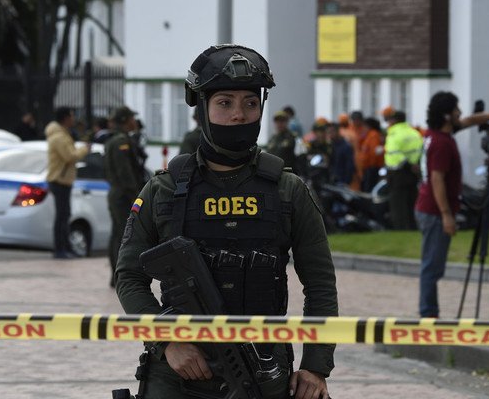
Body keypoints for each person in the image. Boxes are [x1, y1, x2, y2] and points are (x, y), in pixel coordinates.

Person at [116, 44, 337, 399]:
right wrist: (166, 341)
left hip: (263, 369)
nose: (239, 115)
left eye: (250, 103)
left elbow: (321, 284)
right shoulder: (164, 190)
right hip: (178, 375)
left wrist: (315, 366)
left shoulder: (287, 189)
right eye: (225, 103)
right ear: (202, 107)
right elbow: (129, 277)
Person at [414, 91, 489, 318]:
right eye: (456, 109)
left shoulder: (437, 133)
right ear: (446, 116)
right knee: (432, 267)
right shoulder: (441, 143)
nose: (460, 113)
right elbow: (437, 179)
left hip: (427, 206)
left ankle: (428, 311)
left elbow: (471, 120)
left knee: (432, 265)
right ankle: (428, 315)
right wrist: (446, 215)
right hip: (434, 210)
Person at [103, 106, 146, 288]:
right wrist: (137, 196)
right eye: (131, 118)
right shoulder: (121, 142)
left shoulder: (119, 139)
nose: (134, 122)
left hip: (117, 192)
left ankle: (116, 275)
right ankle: (120, 275)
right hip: (124, 194)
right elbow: (125, 173)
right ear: (124, 120)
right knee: (123, 236)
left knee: (118, 234)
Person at [45, 107, 90, 259]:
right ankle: (60, 249)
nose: (73, 119)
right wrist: (84, 150)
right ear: (65, 118)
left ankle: (65, 247)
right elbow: (70, 156)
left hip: (63, 180)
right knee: (62, 217)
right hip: (60, 180)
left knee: (65, 215)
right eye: (71, 116)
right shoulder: (59, 136)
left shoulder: (62, 134)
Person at [383, 108, 423, 230]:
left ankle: (401, 230)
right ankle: (413, 228)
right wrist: (415, 165)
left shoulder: (393, 134)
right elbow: (420, 150)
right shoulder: (414, 133)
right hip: (413, 173)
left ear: (394, 120)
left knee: (398, 206)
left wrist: (407, 165)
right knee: (411, 203)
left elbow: (394, 153)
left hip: (398, 174)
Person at [359, 117, 384, 192]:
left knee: (369, 188)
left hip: (371, 168)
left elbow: (374, 152)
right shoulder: (369, 135)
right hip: (369, 167)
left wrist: (371, 166)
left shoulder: (373, 135)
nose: (363, 128)